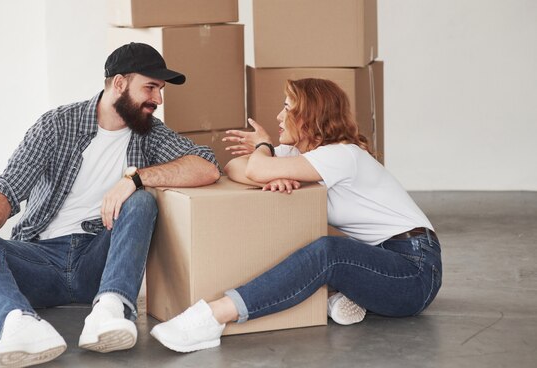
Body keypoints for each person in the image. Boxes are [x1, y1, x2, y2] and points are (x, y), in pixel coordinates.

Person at [0, 42, 220, 367]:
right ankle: (20, 326)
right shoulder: (56, 125)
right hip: (40, 261)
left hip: (100, 260)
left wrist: (135, 179)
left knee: (141, 201)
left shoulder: (149, 134)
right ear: (119, 84)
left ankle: (109, 311)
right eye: (150, 87)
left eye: (160, 89)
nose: (158, 100)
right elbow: (8, 188)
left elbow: (207, 166)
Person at [150, 78, 442, 353]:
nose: (279, 116)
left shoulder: (342, 154)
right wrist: (267, 175)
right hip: (377, 258)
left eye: (287, 107)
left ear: (310, 115)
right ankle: (340, 297)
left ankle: (213, 316)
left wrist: (263, 151)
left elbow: (255, 166)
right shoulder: (300, 155)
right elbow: (236, 166)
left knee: (329, 251)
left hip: (414, 269)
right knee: (319, 245)